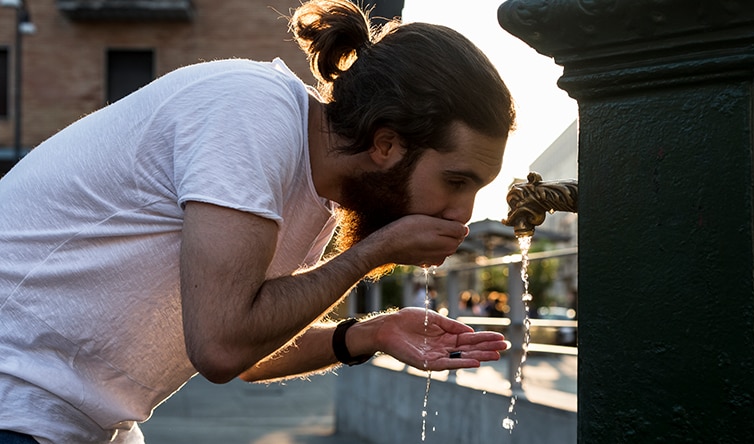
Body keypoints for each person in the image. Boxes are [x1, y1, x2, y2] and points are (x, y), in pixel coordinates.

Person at [0, 0, 515, 442]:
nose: (462, 212)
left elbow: (251, 354)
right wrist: (369, 255)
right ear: (386, 144)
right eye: (456, 181)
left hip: (69, 423)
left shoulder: (315, 193)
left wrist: (370, 334)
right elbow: (222, 345)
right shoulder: (250, 110)